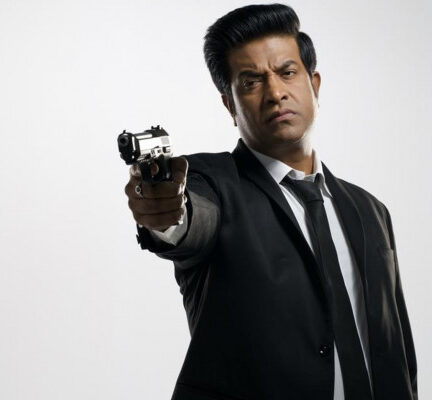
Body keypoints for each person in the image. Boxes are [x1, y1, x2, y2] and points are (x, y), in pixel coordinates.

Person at [124, 4, 417, 400]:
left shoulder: (371, 210)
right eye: (251, 81)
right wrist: (166, 213)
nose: (275, 92)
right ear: (230, 106)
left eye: (287, 72)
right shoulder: (209, 182)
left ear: (314, 85)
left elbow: (395, 346)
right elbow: (189, 221)